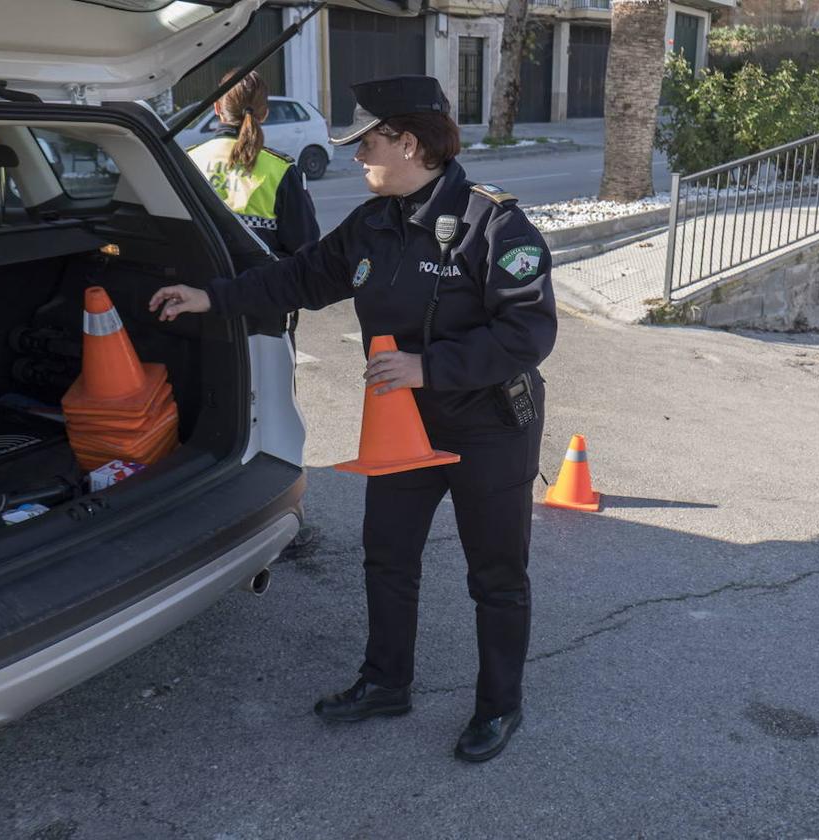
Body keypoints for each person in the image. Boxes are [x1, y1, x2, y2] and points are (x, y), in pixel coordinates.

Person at [151, 75, 557, 763]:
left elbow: (529, 334)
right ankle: (385, 681)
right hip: (406, 427)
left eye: (366, 142)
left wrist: (431, 367)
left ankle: (498, 706)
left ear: (407, 142)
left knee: (495, 572)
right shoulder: (374, 224)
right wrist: (209, 297)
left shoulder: (495, 226)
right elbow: (297, 278)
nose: (355, 155)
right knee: (387, 556)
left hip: (487, 426)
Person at [186, 70, 319, 260]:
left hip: (200, 287)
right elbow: (306, 249)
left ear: (217, 108)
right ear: (264, 113)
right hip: (264, 286)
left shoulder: (187, 161)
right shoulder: (281, 169)